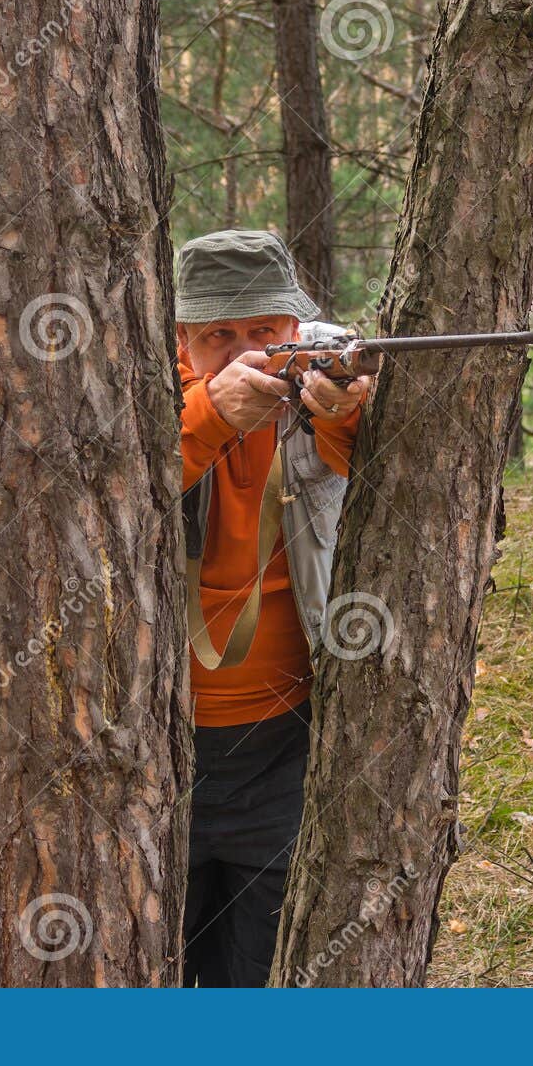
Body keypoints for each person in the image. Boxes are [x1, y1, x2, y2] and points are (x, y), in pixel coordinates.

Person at [174, 229, 372, 986]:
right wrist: (212, 416)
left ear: (294, 326)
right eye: (217, 333)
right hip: (156, 758)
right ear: (181, 338)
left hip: (286, 751)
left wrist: (344, 414)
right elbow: (104, 489)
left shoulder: (326, 372)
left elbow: (387, 481)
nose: (244, 348)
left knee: (259, 975)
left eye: (264, 330)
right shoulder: (134, 392)